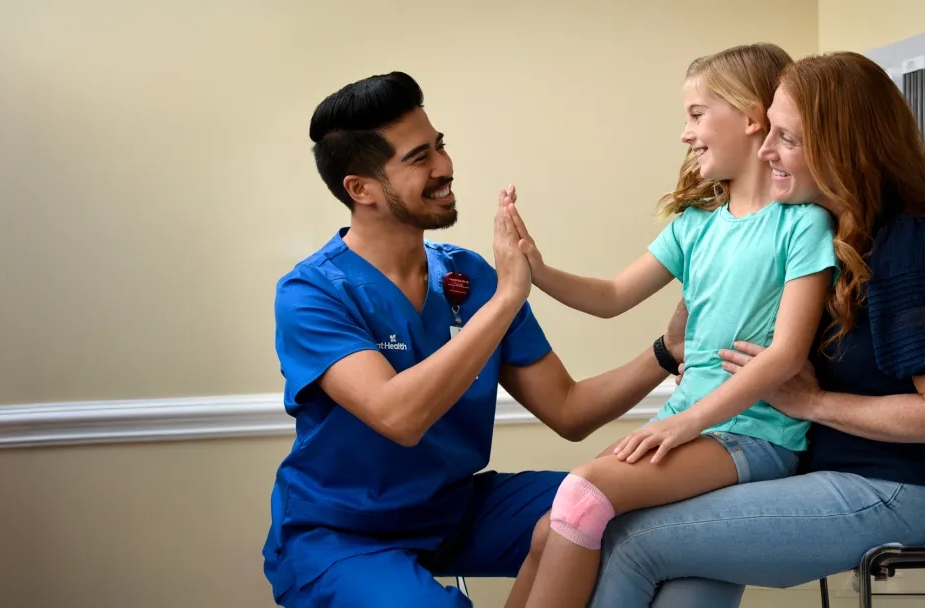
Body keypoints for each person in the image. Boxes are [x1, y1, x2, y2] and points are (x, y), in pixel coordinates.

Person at [261, 71, 688, 607]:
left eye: (439, 146)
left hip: (454, 509)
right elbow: (399, 417)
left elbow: (569, 410)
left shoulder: (467, 277)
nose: (444, 167)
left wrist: (665, 352)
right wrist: (509, 297)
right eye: (419, 158)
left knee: (612, 509)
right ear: (360, 189)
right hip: (343, 534)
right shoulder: (311, 293)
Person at [578, 51, 925, 608]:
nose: (766, 151)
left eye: (785, 138)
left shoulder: (904, 244)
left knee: (632, 539)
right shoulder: (834, 238)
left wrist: (816, 404)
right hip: (814, 468)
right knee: (685, 589)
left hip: (892, 488)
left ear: (840, 147)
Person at [504, 43, 839, 608]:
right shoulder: (694, 226)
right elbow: (611, 297)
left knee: (582, 499)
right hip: (686, 425)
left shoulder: (802, 224)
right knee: (548, 529)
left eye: (696, 114)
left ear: (752, 117)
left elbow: (785, 355)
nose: (685, 133)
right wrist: (535, 269)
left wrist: (683, 427)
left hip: (753, 433)